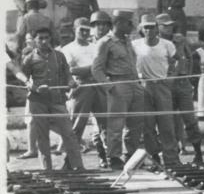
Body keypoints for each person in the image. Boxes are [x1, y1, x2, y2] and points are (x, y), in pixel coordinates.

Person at [20, 26, 85, 171]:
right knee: (42, 136)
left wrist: (70, 82)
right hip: (37, 101)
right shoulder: (29, 58)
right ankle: (47, 170)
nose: (44, 41)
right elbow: (24, 79)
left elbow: (67, 73)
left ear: (51, 39)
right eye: (40, 38)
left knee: (69, 133)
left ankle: (78, 167)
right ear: (35, 40)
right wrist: (33, 86)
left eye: (46, 38)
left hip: (57, 100)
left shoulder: (59, 56)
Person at [92, 10, 145, 170]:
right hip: (118, 84)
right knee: (116, 124)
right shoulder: (105, 42)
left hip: (134, 83)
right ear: (120, 23)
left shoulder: (128, 41)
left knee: (135, 124)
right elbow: (97, 69)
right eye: (129, 23)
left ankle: (131, 156)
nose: (132, 27)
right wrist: (109, 86)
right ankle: (114, 157)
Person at [60, 17, 109, 167]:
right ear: (75, 30)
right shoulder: (68, 49)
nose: (85, 33)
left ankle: (107, 159)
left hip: (98, 86)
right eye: (82, 29)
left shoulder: (96, 46)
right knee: (76, 125)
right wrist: (93, 69)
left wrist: (93, 70)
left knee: (105, 124)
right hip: (81, 87)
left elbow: (103, 66)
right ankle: (70, 161)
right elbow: (70, 70)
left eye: (88, 30)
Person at [132, 13, 180, 167]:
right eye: (146, 27)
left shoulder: (167, 44)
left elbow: (179, 60)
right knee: (147, 126)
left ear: (157, 28)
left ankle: (171, 159)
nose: (149, 31)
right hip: (144, 86)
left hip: (162, 85)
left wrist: (172, 76)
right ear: (141, 28)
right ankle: (154, 158)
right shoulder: (135, 45)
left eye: (152, 27)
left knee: (166, 124)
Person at [156, 13, 203, 164]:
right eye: (164, 25)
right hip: (165, 83)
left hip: (182, 82)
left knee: (189, 119)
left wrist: (187, 77)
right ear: (158, 27)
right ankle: (172, 153)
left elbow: (189, 58)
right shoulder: (156, 42)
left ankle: (198, 152)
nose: (168, 28)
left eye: (170, 25)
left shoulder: (180, 40)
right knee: (167, 121)